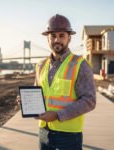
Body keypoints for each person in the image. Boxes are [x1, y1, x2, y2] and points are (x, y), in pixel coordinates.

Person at [34, 14, 96, 150]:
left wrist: (57, 115)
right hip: (44, 131)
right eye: (53, 36)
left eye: (61, 35)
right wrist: (25, 102)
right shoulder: (40, 65)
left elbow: (89, 100)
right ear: (47, 39)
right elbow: (37, 94)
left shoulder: (80, 64)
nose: (57, 40)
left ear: (69, 38)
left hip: (68, 135)